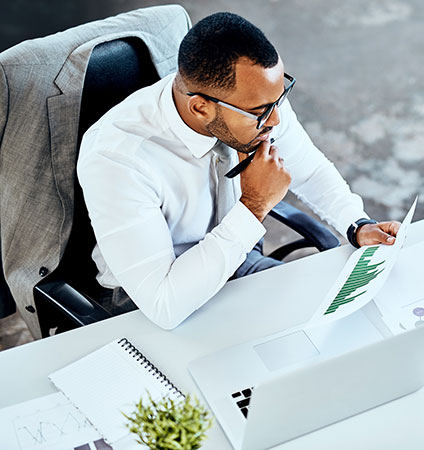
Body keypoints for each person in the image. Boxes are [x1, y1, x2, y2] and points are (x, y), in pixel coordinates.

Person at [77, 12, 401, 330]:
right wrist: (254, 206)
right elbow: (164, 304)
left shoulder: (256, 102)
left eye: (280, 100)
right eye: (262, 112)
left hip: (237, 261)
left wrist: (356, 224)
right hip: (150, 303)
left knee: (344, 323)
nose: (275, 120)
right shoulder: (117, 159)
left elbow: (311, 170)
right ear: (201, 108)